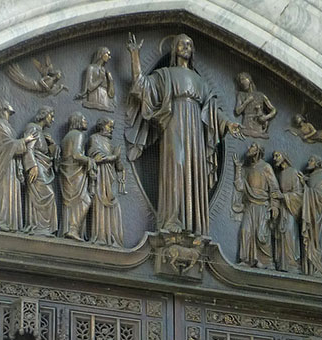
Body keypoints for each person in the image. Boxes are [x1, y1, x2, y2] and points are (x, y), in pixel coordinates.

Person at [126, 31, 240, 236]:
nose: (186, 47)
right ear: (174, 49)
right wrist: (135, 56)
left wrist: (228, 124)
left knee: (193, 171)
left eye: (189, 44)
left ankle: (194, 225)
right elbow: (141, 87)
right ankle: (171, 220)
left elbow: (212, 109)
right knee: (176, 165)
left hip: (195, 132)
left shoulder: (200, 81)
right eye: (182, 44)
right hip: (174, 125)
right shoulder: (165, 75)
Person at [232, 143, 280, 269]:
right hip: (250, 205)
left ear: (258, 150)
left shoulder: (265, 167)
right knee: (245, 231)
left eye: (252, 147)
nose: (249, 149)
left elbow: (274, 188)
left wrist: (274, 205)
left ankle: (267, 262)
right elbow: (240, 186)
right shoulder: (247, 169)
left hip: (263, 205)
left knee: (262, 235)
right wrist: (238, 169)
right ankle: (246, 260)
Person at [0, 101, 30, 231]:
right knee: (4, 191)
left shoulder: (7, 126)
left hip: (11, 164)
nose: (8, 115)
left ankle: (11, 223)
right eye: (7, 112)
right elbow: (4, 145)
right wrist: (25, 140)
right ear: (2, 110)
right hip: (3, 164)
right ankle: (1, 220)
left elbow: (11, 144)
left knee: (12, 190)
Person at [88, 118, 126, 247]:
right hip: (100, 178)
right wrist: (113, 157)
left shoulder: (110, 143)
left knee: (114, 206)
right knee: (100, 205)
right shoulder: (95, 139)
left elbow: (119, 167)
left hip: (111, 179)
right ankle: (101, 237)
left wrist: (118, 159)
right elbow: (96, 158)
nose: (112, 129)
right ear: (102, 126)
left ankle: (114, 238)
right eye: (110, 126)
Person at [22, 106, 58, 235]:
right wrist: (32, 166)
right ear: (43, 114)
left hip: (44, 166)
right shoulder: (32, 128)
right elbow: (29, 148)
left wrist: (52, 144)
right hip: (37, 167)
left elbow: (49, 155)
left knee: (49, 195)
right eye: (51, 116)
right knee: (47, 195)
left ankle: (44, 228)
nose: (52, 120)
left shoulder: (42, 133)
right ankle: (38, 227)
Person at [58, 113, 94, 239]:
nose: (86, 122)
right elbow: (76, 154)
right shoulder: (79, 135)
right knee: (85, 200)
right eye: (84, 119)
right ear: (78, 121)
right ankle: (73, 229)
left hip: (67, 171)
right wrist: (90, 160)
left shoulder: (66, 137)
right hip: (75, 172)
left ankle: (67, 229)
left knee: (70, 203)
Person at [272, 150, 303, 272]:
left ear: (284, 156)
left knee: (290, 233)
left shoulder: (293, 172)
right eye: (274, 156)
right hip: (282, 209)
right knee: (281, 234)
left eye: (277, 155)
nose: (275, 158)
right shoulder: (279, 175)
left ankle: (292, 263)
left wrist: (283, 196)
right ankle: (282, 263)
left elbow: (299, 194)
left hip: (291, 209)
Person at [301, 154, 322, 277]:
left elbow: (319, 198)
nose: (309, 162)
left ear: (317, 163)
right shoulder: (312, 176)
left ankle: (318, 268)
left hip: (316, 216)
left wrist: (305, 187)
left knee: (315, 240)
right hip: (310, 212)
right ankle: (308, 268)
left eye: (311, 160)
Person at [234, 72, 276, 138]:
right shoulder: (241, 95)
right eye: (240, 81)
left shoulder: (260, 95)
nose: (241, 82)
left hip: (258, 125)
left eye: (243, 79)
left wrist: (266, 117)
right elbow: (237, 111)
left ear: (249, 79)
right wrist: (247, 101)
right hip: (246, 125)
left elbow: (273, 110)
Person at [76, 47, 116, 111]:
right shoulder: (91, 68)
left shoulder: (105, 72)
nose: (109, 57)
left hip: (104, 99)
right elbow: (89, 87)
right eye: (107, 54)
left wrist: (111, 81)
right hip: (94, 97)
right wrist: (100, 79)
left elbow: (111, 94)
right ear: (101, 54)